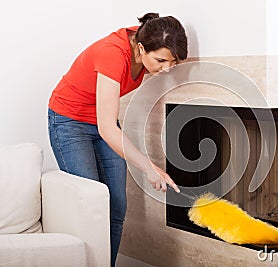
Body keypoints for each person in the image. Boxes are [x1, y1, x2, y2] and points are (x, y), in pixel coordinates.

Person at [47, 12, 186, 267]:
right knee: (91, 205)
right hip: (69, 122)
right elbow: (108, 129)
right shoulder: (113, 53)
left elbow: (106, 124)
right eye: (161, 61)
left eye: (173, 62)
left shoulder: (149, 36)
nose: (167, 69)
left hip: (102, 120)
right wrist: (149, 169)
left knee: (117, 206)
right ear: (141, 48)